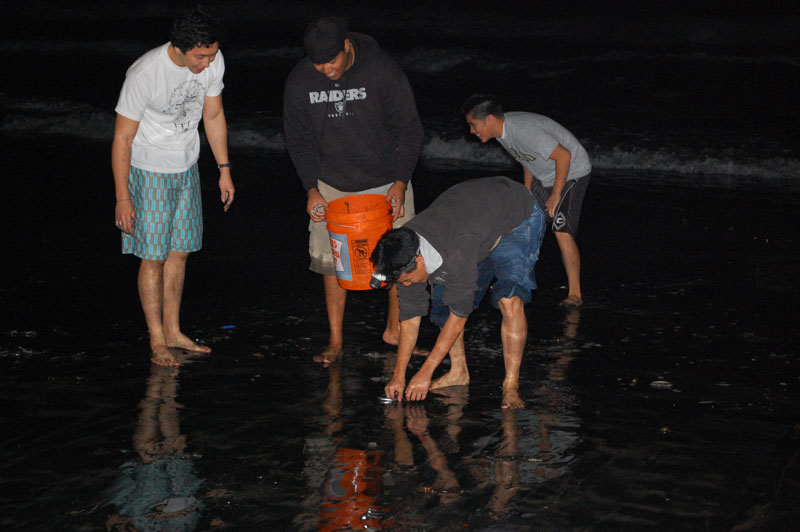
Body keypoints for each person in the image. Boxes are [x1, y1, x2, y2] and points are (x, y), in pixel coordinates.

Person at [283, 16, 424, 363]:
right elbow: (298, 141)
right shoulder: (301, 81)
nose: (326, 69)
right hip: (330, 185)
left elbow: (410, 129)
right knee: (332, 264)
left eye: (332, 61)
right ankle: (335, 341)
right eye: (319, 64)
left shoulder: (383, 70)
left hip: (387, 182)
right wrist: (311, 189)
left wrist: (401, 183)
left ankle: (396, 331)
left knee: (401, 261)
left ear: (346, 46)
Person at [112, 4, 235, 367]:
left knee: (180, 252)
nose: (208, 63)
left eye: (212, 54)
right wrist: (123, 198)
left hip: (187, 167)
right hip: (148, 170)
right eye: (201, 56)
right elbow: (122, 139)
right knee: (153, 257)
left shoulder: (213, 59)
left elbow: (212, 114)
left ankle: (173, 329)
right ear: (180, 47)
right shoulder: (145, 74)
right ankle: (156, 339)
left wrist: (224, 169)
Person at [371, 176, 546, 409]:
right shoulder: (402, 248)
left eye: (407, 279)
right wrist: (399, 375)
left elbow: (459, 316)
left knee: (508, 297)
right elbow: (411, 316)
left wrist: (425, 373)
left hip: (517, 215)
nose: (407, 284)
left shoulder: (455, 254)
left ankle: (510, 385)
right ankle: (458, 372)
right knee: (444, 299)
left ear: (419, 260)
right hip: (475, 225)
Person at [462, 94, 591, 308]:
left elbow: (564, 156)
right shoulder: (503, 133)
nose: (472, 131)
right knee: (521, 219)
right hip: (546, 175)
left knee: (561, 229)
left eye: (473, 125)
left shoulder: (523, 130)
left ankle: (575, 294)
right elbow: (526, 159)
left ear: (490, 120)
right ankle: (515, 278)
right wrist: (527, 192)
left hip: (572, 172)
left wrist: (556, 194)